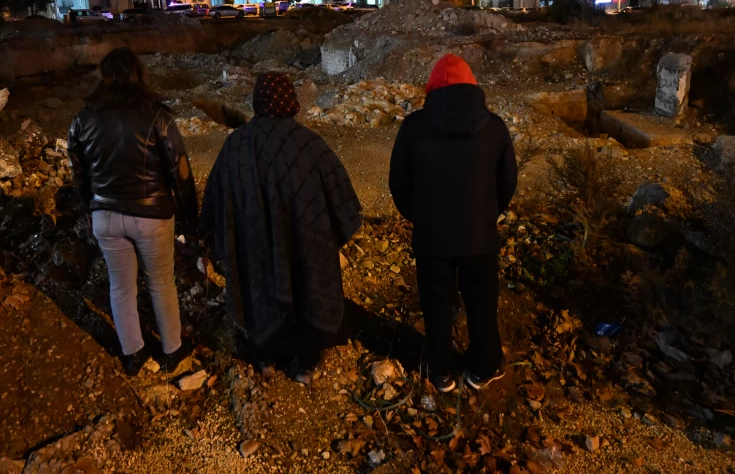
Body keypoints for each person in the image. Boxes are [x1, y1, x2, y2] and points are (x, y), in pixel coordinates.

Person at [201, 72, 362, 381]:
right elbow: (342, 201)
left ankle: (265, 358)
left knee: (258, 290)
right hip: (306, 245)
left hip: (253, 244)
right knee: (308, 289)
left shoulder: (235, 145)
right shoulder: (310, 145)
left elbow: (215, 202)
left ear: (259, 102)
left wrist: (220, 240)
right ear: (291, 102)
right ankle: (305, 364)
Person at [388, 54, 517, 392]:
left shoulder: (413, 127)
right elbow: (507, 183)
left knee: (436, 303)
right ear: (473, 86)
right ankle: (483, 368)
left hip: (432, 239)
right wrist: (489, 214)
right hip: (480, 239)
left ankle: (441, 370)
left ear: (431, 89)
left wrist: (420, 217)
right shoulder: (495, 126)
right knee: (482, 302)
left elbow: (398, 184)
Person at [67, 48, 198, 376]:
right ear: (138, 74)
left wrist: (89, 207)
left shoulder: (83, 118)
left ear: (104, 76)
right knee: (161, 282)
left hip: (105, 216)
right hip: (151, 215)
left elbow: (78, 171)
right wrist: (189, 216)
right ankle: (172, 350)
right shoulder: (157, 115)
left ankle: (133, 353)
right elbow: (178, 171)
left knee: (120, 285)